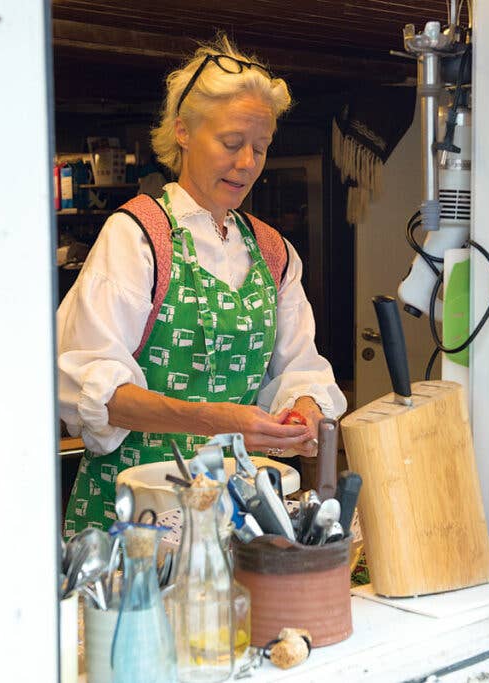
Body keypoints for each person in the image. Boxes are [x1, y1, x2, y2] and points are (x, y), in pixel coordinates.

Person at [58, 37, 347, 537]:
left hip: (235, 514)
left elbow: (301, 369)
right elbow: (91, 389)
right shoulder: (137, 236)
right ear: (183, 132)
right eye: (232, 144)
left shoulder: (273, 252)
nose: (247, 163)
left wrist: (301, 412)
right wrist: (211, 419)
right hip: (136, 515)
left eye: (260, 149)